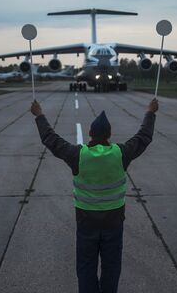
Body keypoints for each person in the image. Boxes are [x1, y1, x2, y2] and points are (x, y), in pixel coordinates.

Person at [30, 98, 158, 293]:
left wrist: (39, 115)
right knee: (112, 267)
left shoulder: (77, 155)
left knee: (86, 267)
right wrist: (150, 112)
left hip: (86, 222)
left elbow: (51, 139)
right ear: (109, 135)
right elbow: (144, 137)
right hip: (114, 222)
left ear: (90, 134)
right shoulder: (120, 153)